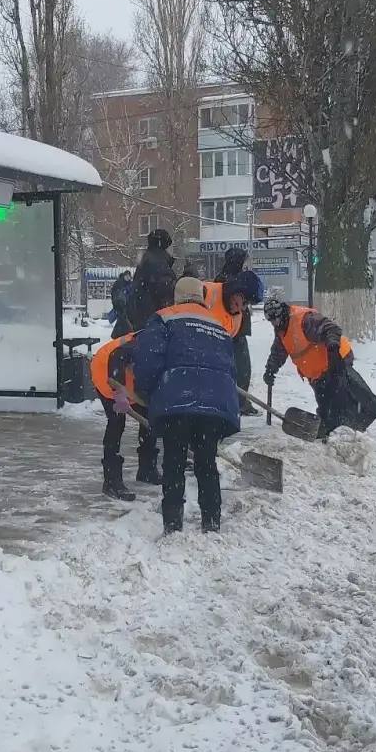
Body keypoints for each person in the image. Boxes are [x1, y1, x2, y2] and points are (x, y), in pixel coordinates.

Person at [133, 277, 240, 534]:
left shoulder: (164, 318)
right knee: (206, 463)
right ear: (201, 297)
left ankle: (173, 523)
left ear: (177, 296)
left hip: (178, 401)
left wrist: (148, 394)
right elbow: (231, 368)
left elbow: (148, 360)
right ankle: (211, 521)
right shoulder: (218, 325)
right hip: (215, 404)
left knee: (174, 462)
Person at [262, 296, 376, 438]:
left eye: (276, 319)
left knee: (342, 400)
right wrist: (270, 369)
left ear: (282, 312)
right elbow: (278, 351)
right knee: (327, 406)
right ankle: (333, 428)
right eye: (272, 321)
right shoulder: (281, 330)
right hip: (317, 373)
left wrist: (332, 345)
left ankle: (350, 425)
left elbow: (331, 329)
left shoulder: (304, 319)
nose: (275, 324)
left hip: (336, 361)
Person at [88, 331, 157, 501]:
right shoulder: (151, 341)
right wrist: (119, 394)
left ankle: (147, 470)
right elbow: (117, 356)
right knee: (117, 421)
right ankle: (111, 481)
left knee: (151, 415)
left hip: (130, 379)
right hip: (107, 372)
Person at [214, 248, 259, 414]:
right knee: (240, 369)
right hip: (231, 331)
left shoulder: (227, 277)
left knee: (239, 369)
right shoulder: (230, 280)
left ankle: (238, 401)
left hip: (231, 330)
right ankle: (237, 402)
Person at [118, 228, 177, 336]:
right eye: (170, 246)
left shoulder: (146, 262)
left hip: (143, 323)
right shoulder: (159, 264)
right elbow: (166, 295)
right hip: (155, 326)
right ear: (163, 246)